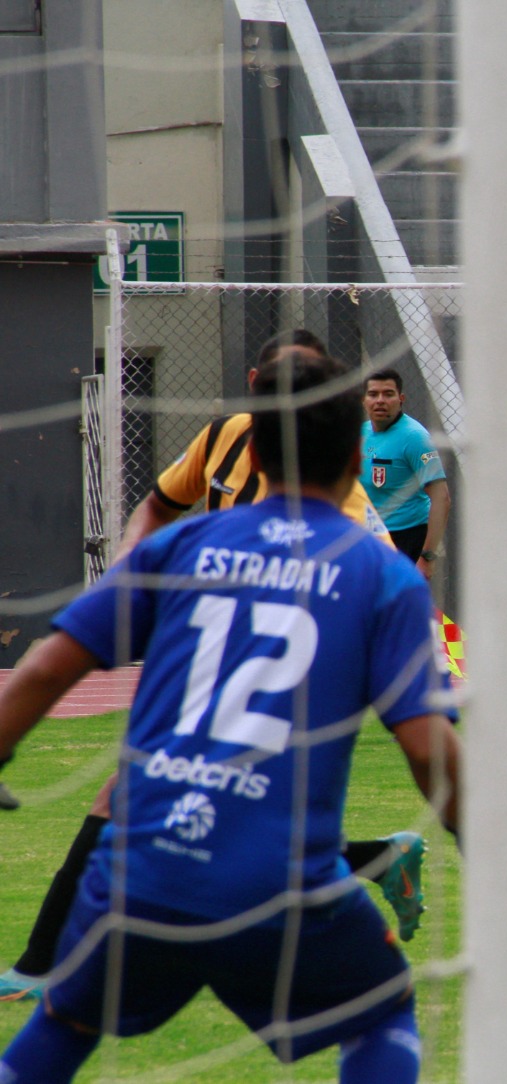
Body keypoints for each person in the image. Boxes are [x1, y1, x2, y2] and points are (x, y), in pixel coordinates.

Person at [0, 350, 460, 1082]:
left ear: (255, 453)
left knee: (64, 1023)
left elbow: (48, 667)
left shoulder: (183, 545)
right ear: (353, 455)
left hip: (140, 877)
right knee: (380, 1013)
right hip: (275, 891)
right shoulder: (379, 575)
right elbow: (431, 751)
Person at [360, 368, 452, 577]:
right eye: (373, 394)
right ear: (363, 400)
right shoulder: (360, 434)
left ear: (401, 399)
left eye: (388, 394)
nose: (380, 400)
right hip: (370, 537)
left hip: (407, 539)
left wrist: (427, 556)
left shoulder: (415, 437)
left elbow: (442, 498)